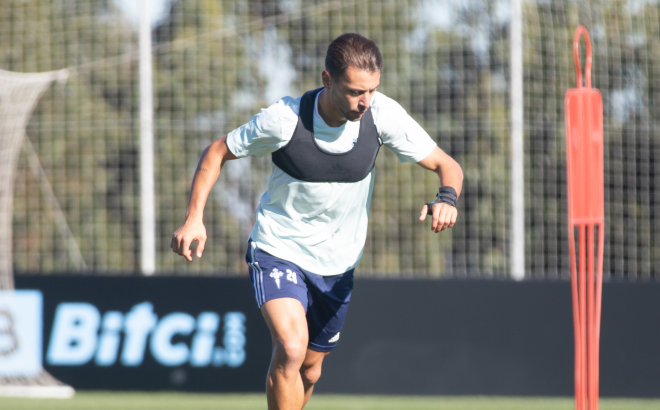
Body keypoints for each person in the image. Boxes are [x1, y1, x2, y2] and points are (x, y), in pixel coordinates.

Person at [171, 33, 463, 410]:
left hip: (337, 264)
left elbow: (447, 165)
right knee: (290, 350)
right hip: (279, 248)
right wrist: (194, 217)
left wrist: (447, 199)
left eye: (372, 90)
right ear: (327, 80)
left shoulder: (382, 114)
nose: (365, 102)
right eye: (356, 91)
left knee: (310, 371)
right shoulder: (284, 120)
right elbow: (217, 151)